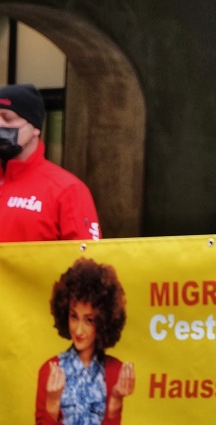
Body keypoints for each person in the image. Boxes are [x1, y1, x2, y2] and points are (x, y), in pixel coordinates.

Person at [36, 257, 135, 424]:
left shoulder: (114, 372)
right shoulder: (50, 370)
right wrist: (52, 404)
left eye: (89, 320)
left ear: (103, 321)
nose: (79, 330)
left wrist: (115, 402)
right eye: (74, 317)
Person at [0, 83, 102, 243]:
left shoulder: (67, 190)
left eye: (8, 118)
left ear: (35, 128)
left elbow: (86, 262)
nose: (0, 125)